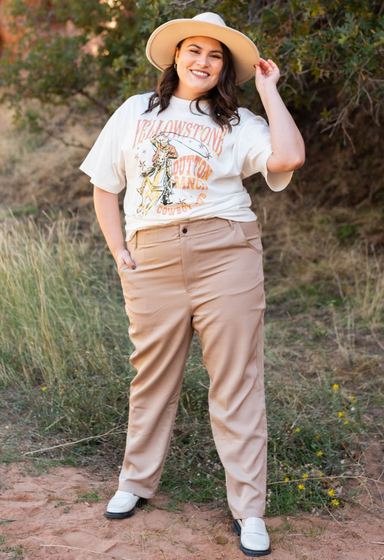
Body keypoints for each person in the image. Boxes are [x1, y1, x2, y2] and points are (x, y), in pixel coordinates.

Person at [80, 12, 305, 557]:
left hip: (225, 249)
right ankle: (135, 483)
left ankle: (249, 509)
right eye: (194, 50)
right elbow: (105, 188)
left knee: (236, 381)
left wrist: (270, 90)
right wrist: (118, 252)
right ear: (177, 56)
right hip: (152, 254)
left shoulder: (240, 121)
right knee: (151, 374)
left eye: (215, 55)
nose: (203, 61)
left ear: (226, 67)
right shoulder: (137, 110)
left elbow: (289, 156)